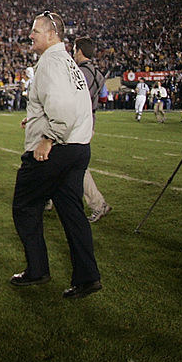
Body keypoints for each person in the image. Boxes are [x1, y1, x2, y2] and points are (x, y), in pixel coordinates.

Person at [10, 11, 101, 299]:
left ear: (51, 34)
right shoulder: (69, 63)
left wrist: (47, 138)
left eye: (35, 31)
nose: (31, 35)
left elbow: (62, 109)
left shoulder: (49, 63)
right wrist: (36, 120)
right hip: (78, 148)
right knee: (72, 213)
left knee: (24, 205)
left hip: (58, 148)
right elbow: (72, 102)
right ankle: (87, 278)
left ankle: (37, 269)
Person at [72, 37, 111, 223]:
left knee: (75, 164)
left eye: (73, 49)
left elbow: (72, 98)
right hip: (91, 120)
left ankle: (98, 204)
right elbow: (104, 98)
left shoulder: (80, 72)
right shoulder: (98, 73)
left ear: (79, 50)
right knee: (70, 162)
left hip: (78, 122)